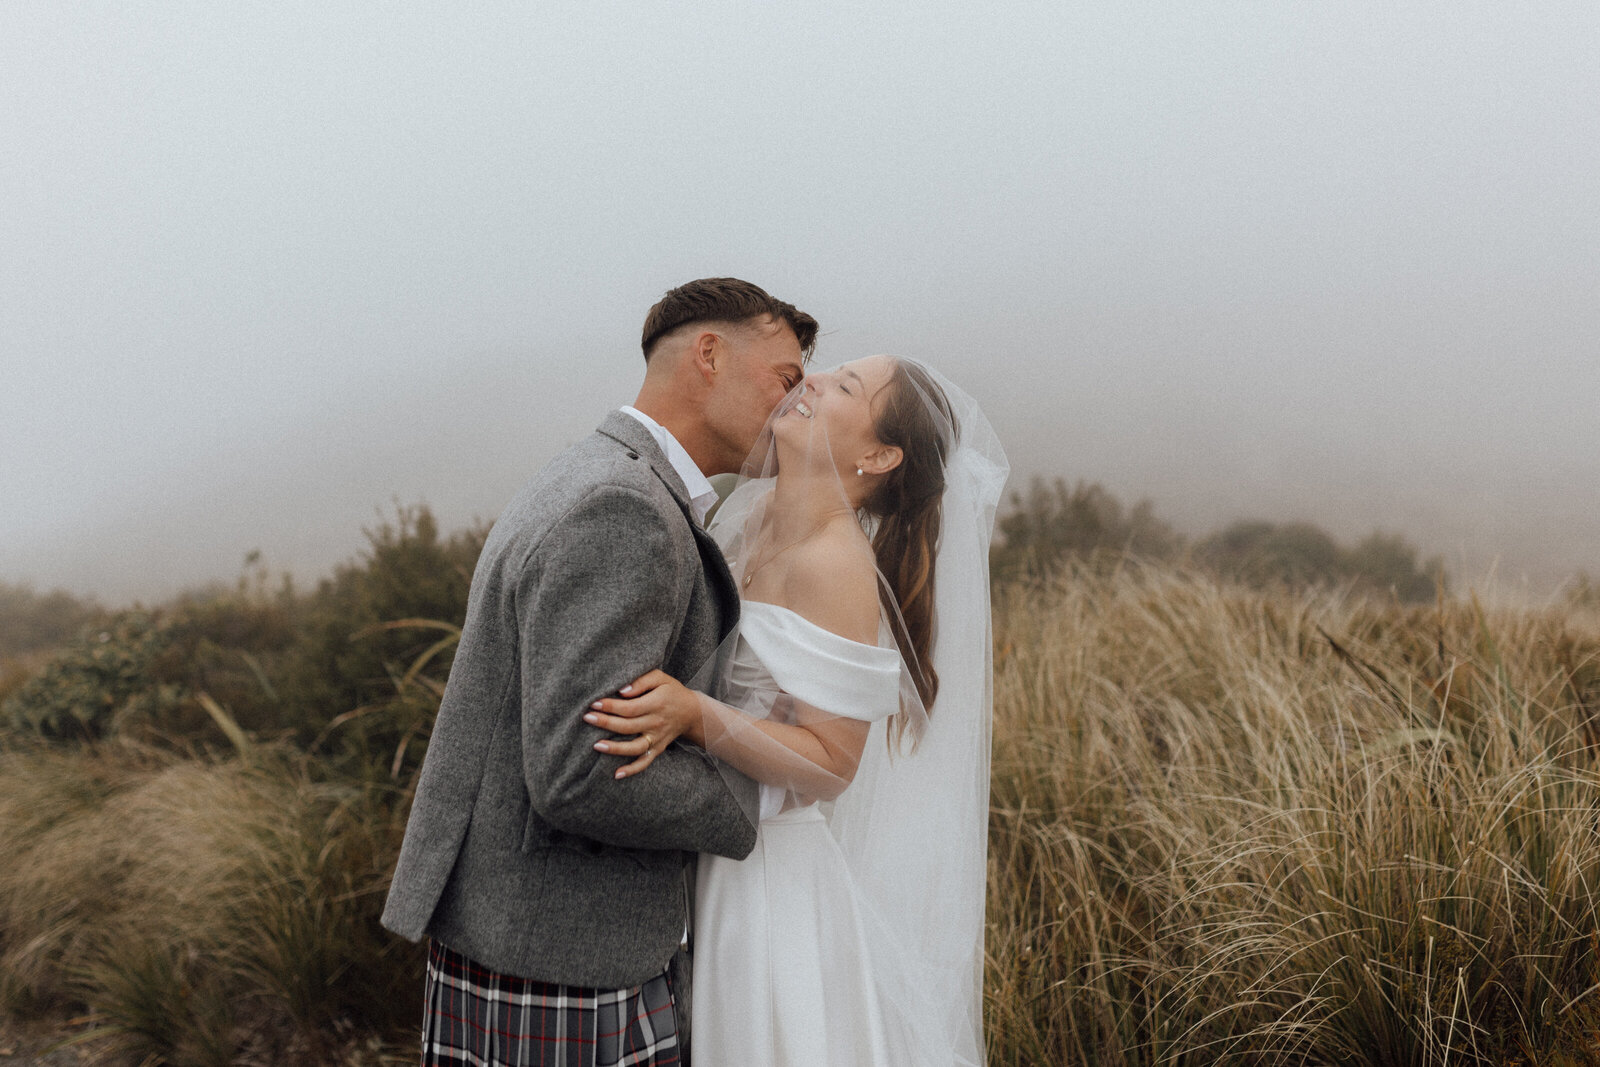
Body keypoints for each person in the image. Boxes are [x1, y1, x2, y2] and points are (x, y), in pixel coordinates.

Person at [380, 278, 818, 1067]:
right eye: (785, 380)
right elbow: (583, 772)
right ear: (709, 354)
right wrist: (752, 790)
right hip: (562, 954)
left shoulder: (598, 472)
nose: (794, 410)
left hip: (535, 935)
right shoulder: (626, 509)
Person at [584, 356, 1009, 1065]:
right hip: (691, 852)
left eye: (845, 388)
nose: (811, 381)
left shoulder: (834, 562)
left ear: (879, 455)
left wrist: (697, 715)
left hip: (764, 885)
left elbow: (832, 763)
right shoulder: (745, 515)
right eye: (826, 372)